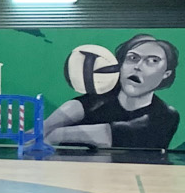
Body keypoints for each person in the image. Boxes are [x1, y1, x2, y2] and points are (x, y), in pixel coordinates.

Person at [47, 34, 180, 149]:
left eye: (153, 61)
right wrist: (43, 130)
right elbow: (48, 125)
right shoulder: (99, 98)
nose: (138, 66)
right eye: (133, 58)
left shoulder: (166, 116)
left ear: (166, 74)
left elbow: (113, 135)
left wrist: (52, 135)